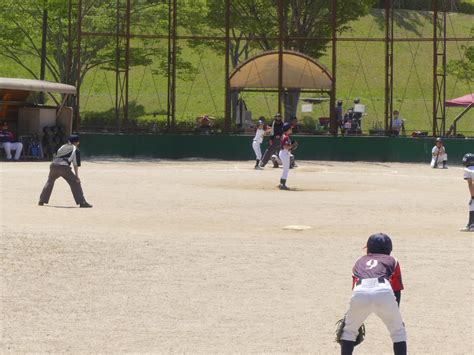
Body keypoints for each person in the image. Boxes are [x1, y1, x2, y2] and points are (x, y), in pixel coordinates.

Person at [339, 233, 407, 355]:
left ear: (368, 248)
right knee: (398, 332)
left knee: (349, 331)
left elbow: (356, 288)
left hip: (360, 291)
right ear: (389, 249)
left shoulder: (359, 261)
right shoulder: (392, 260)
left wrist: (355, 315)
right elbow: (396, 289)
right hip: (384, 290)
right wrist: (396, 314)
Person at [38, 134, 92, 208]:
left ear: (69, 141)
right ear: (77, 142)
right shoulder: (75, 149)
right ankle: (82, 202)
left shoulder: (62, 147)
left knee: (50, 181)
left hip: (53, 165)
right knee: (75, 182)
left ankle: (41, 200)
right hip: (64, 167)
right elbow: (75, 164)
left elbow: (56, 155)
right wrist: (77, 176)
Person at [278, 123, 296, 190]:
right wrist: (292, 146)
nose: (291, 129)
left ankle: (281, 183)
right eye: (290, 128)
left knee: (285, 169)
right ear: (287, 129)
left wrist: (291, 146)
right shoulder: (285, 136)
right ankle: (282, 184)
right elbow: (285, 146)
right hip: (284, 153)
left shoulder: (285, 135)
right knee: (286, 169)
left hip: (284, 153)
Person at [460, 153, 474, 232]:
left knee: (472, 204)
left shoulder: (467, 170)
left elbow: (470, 184)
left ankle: (471, 225)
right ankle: (471, 224)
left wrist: (472, 196)